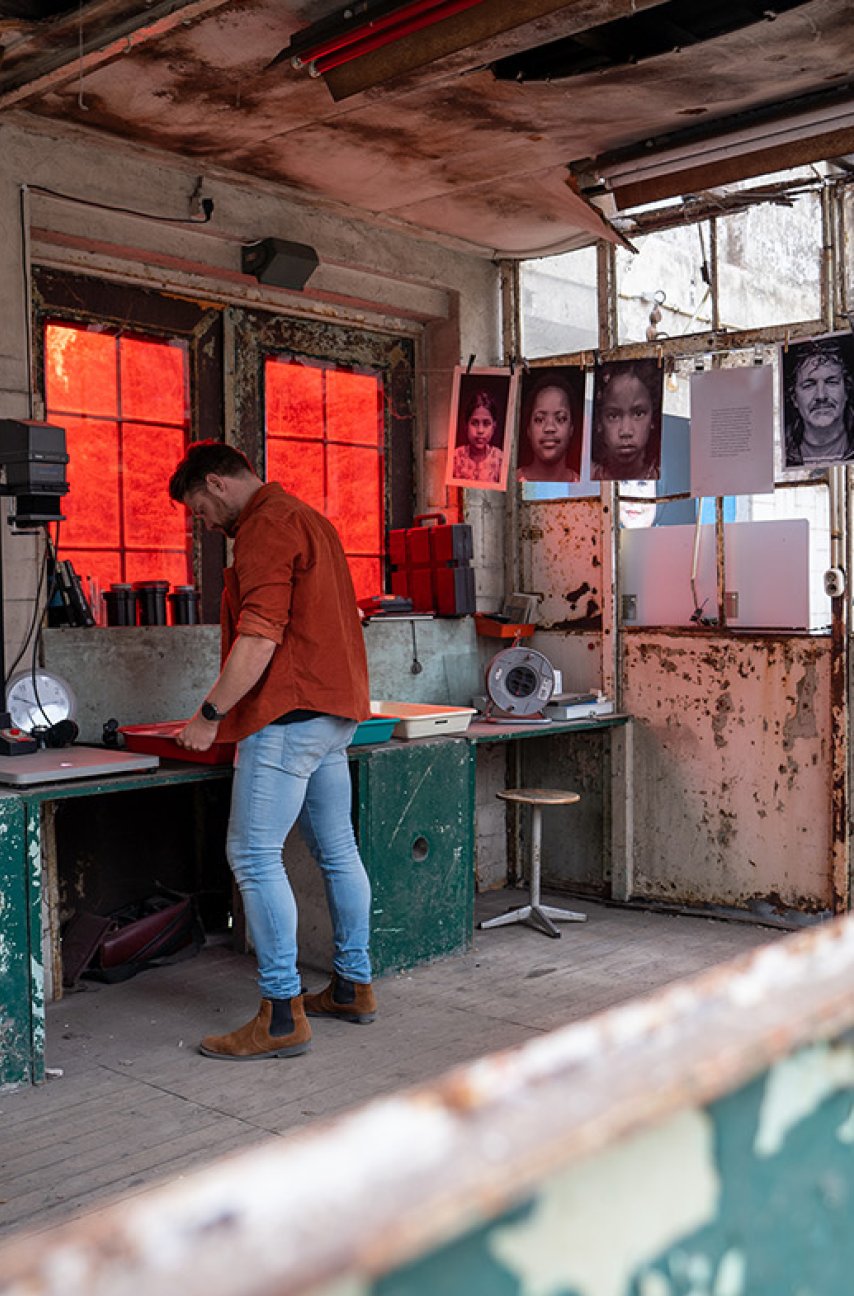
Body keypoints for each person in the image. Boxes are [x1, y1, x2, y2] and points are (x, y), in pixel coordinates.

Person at [168, 441, 376, 1061]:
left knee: (254, 855)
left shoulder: (263, 526)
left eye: (200, 508)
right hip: (335, 715)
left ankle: (281, 1015)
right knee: (338, 850)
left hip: (288, 716)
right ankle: (351, 985)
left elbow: (259, 636)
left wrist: (209, 715)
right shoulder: (310, 518)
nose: (203, 522)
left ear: (217, 483)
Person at [784, 338, 854, 466]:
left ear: (846, 391)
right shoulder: (777, 452)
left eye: (831, 382)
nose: (821, 396)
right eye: (809, 385)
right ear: (794, 398)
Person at [591, 360, 662, 482]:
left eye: (638, 414)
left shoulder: (669, 479)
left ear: (652, 419)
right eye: (613, 416)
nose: (626, 431)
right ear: (599, 422)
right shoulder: (588, 478)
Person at [516, 375, 582, 483]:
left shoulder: (584, 488)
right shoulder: (511, 483)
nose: (549, 428)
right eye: (539, 419)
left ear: (571, 429)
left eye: (560, 419)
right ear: (528, 429)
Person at [451, 389, 504, 483]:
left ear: (494, 427)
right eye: (475, 423)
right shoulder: (455, 458)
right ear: (466, 425)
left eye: (486, 423)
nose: (480, 430)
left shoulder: (500, 460)